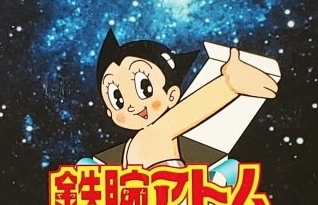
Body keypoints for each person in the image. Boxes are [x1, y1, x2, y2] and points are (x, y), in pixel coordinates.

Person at [94, 28, 279, 169]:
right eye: (118, 100)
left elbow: (181, 117)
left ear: (172, 95)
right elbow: (181, 116)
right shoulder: (145, 139)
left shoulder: (153, 137)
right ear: (110, 112)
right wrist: (228, 85)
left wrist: (229, 84)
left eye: (145, 89)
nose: (132, 106)